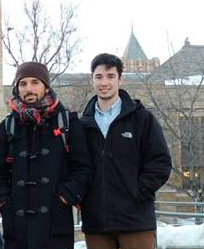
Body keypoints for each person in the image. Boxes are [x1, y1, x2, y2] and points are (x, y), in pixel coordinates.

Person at [0, 62, 93, 249]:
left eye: (35, 82)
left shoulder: (67, 121)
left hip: (55, 224)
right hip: (17, 226)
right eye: (23, 83)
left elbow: (83, 168)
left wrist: (64, 198)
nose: (28, 88)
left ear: (45, 86)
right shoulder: (8, 125)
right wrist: (4, 203)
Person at [80, 53, 172, 249]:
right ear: (92, 80)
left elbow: (160, 163)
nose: (104, 82)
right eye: (99, 77)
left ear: (121, 79)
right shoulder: (82, 124)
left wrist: (136, 193)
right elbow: (77, 166)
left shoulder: (142, 119)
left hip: (135, 222)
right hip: (97, 223)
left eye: (110, 76)